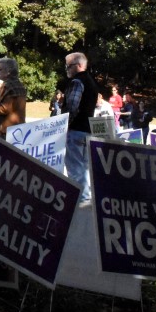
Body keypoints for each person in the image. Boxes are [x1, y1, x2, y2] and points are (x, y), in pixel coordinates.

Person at [62, 51, 101, 203]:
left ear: (78, 65)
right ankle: (87, 199)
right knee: (85, 169)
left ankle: (80, 202)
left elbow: (72, 106)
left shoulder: (77, 82)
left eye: (69, 66)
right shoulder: (91, 82)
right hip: (87, 131)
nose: (67, 70)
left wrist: (63, 125)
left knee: (75, 169)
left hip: (76, 130)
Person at [0, 58, 28, 137]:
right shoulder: (17, 84)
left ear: (8, 72)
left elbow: (4, 108)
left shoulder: (8, 85)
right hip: (16, 128)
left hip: (6, 131)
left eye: (0, 69)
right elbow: (7, 103)